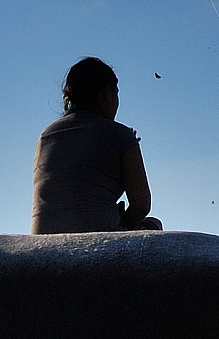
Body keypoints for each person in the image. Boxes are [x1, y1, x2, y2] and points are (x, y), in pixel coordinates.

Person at [31, 57, 162, 233]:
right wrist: (123, 222)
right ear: (107, 94)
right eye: (116, 92)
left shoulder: (46, 135)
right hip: (98, 239)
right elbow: (141, 205)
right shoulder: (120, 134)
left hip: (43, 238)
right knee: (153, 225)